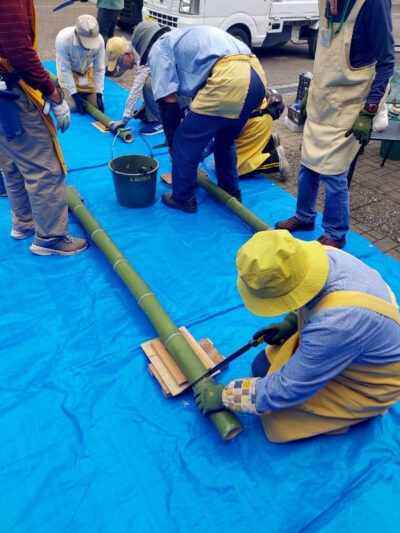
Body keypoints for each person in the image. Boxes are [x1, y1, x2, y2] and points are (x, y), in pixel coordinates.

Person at [195, 230, 400, 443]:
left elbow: (289, 387)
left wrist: (226, 396)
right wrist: (291, 322)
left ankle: (358, 411)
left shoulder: (336, 323)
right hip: (350, 342)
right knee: (262, 366)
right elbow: (309, 292)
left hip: (368, 380)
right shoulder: (320, 256)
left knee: (276, 416)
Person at [275, 0, 395, 249]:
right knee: (308, 164)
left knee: (333, 172)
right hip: (323, 98)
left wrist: (369, 109)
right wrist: (309, 93)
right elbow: (325, 52)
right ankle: (304, 216)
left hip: (351, 103)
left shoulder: (372, 4)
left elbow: (386, 62)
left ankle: (336, 233)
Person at [131, 21, 268, 213]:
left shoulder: (159, 47)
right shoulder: (184, 37)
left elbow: (167, 100)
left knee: (184, 140)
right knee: (225, 139)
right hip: (256, 75)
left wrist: (172, 140)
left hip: (229, 78)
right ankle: (230, 191)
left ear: (144, 48)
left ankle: (182, 198)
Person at [0, 0, 88, 256]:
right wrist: (52, 92)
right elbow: (19, 51)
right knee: (45, 166)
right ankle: (49, 238)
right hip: (10, 91)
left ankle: (23, 223)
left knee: (13, 160)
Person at [105, 36, 166, 136]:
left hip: (180, 90)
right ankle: (154, 113)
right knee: (148, 82)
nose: (121, 66)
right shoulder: (137, 49)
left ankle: (163, 121)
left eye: (120, 62)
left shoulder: (142, 57)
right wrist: (145, 107)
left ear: (128, 54)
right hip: (173, 84)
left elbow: (135, 91)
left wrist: (124, 120)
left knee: (147, 82)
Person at [56, 14, 105, 115]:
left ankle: (81, 92)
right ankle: (59, 87)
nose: (89, 46)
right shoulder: (63, 40)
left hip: (86, 71)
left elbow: (99, 68)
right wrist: (74, 95)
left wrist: (99, 93)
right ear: (76, 33)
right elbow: (65, 70)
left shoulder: (100, 41)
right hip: (69, 71)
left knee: (95, 105)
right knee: (72, 107)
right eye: (86, 41)